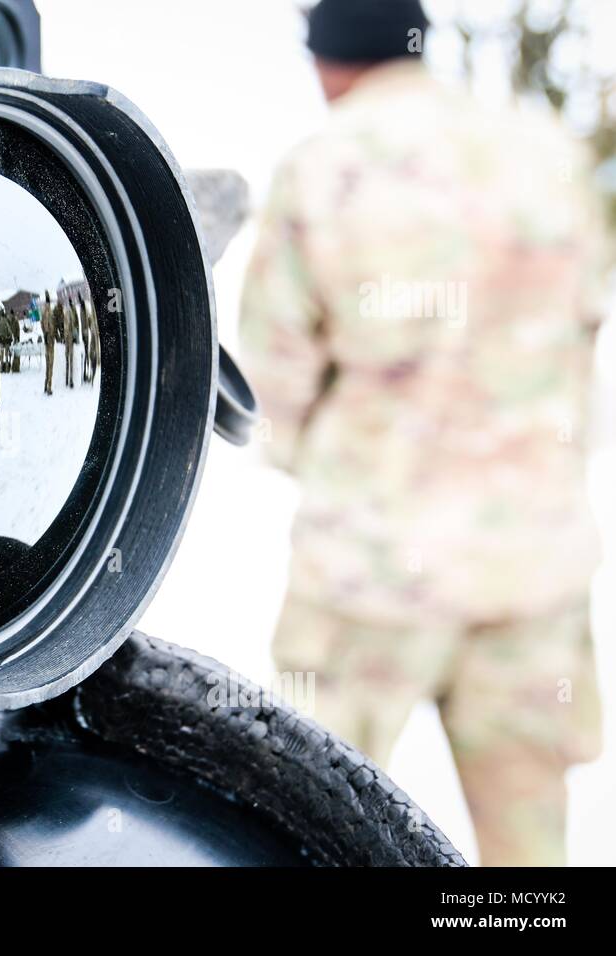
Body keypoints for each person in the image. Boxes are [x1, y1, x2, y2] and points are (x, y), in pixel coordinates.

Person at [239, 0, 607, 867]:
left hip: (371, 571)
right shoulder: (545, 154)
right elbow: (585, 332)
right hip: (532, 568)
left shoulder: (324, 167)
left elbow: (273, 378)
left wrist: (320, 455)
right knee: (528, 850)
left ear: (329, 61)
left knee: (314, 822)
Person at [40, 291, 57, 395]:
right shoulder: (49, 311)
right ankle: (49, 387)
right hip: (49, 341)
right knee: (50, 365)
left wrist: (44, 334)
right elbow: (48, 325)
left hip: (47, 340)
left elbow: (42, 324)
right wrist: (48, 334)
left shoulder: (43, 311)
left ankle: (45, 385)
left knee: (47, 364)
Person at [81, 297, 100, 383]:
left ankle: (92, 375)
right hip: (91, 338)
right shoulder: (90, 314)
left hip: (95, 340)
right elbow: (87, 322)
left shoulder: (95, 315)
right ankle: (90, 374)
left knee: (94, 356)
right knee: (90, 356)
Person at [0, 309, 16, 375]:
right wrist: (9, 337)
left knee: (1, 355)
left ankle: (1, 369)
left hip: (1, 341)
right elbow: (10, 332)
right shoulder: (6, 323)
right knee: (6, 355)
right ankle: (7, 368)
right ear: (4, 316)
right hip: (6, 341)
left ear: (1, 316)